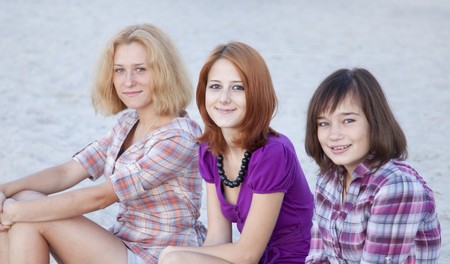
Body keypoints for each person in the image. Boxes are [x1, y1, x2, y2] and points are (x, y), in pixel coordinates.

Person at [0, 23, 206, 264]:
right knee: (23, 200)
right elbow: (67, 171)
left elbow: (100, 197)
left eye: (140, 69)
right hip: (122, 243)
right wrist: (4, 191)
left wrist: (14, 212)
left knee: (28, 215)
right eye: (119, 70)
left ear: (164, 72)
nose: (128, 81)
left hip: (156, 256)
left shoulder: (178, 137)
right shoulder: (129, 122)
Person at [158, 41, 314, 264]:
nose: (224, 98)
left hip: (291, 260)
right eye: (215, 86)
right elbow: (217, 238)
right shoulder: (210, 150)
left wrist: (177, 256)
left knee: (174, 258)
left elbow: (247, 255)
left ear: (257, 94)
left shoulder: (273, 153)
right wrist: (173, 254)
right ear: (204, 93)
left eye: (238, 87)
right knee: (170, 255)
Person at [304, 68, 441, 263]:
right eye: (324, 123)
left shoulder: (396, 188)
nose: (334, 135)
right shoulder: (327, 181)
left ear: (374, 122)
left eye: (348, 120)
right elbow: (318, 258)